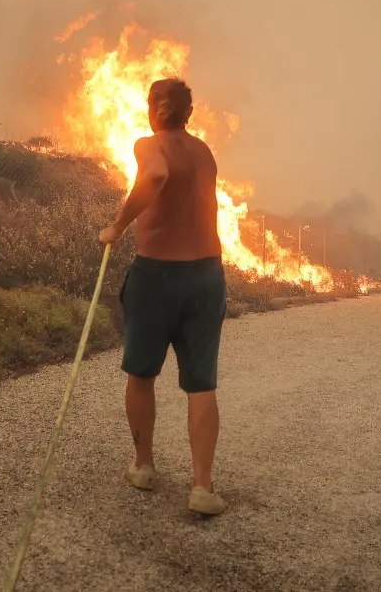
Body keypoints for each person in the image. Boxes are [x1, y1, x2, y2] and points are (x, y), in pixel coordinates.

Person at [98, 77, 228, 516]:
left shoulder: (148, 144)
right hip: (207, 276)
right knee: (201, 383)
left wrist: (117, 226)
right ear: (189, 113)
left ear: (153, 109)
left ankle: (144, 465)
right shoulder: (205, 152)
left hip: (157, 278)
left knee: (141, 373)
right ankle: (203, 488)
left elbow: (155, 175)